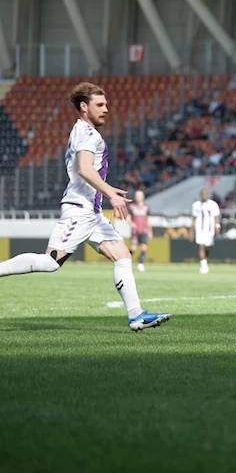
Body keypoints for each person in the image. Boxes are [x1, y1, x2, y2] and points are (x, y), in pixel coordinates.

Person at [0, 83, 170, 331]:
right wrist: (110, 192)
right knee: (50, 262)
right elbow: (84, 168)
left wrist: (107, 190)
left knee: (122, 255)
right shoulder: (88, 133)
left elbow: (86, 171)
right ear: (83, 106)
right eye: (100, 105)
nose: (106, 109)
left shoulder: (83, 131)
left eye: (106, 104)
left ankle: (136, 316)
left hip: (91, 212)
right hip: (79, 210)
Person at [191, 189, 220, 274]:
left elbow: (216, 217)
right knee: (201, 246)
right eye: (202, 194)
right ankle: (203, 265)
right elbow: (194, 218)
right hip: (200, 229)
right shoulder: (196, 205)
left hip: (209, 229)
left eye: (205, 194)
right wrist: (191, 230)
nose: (204, 195)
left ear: (207, 194)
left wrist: (217, 226)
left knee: (207, 247)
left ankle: (204, 260)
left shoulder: (213, 204)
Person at [127, 190, 152, 272]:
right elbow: (128, 217)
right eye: (137, 196)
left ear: (143, 197)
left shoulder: (146, 207)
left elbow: (148, 219)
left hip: (144, 230)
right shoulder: (132, 207)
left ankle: (140, 263)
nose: (138, 197)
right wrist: (131, 223)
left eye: (140, 196)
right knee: (133, 248)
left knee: (144, 247)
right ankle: (127, 261)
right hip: (135, 230)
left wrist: (150, 231)